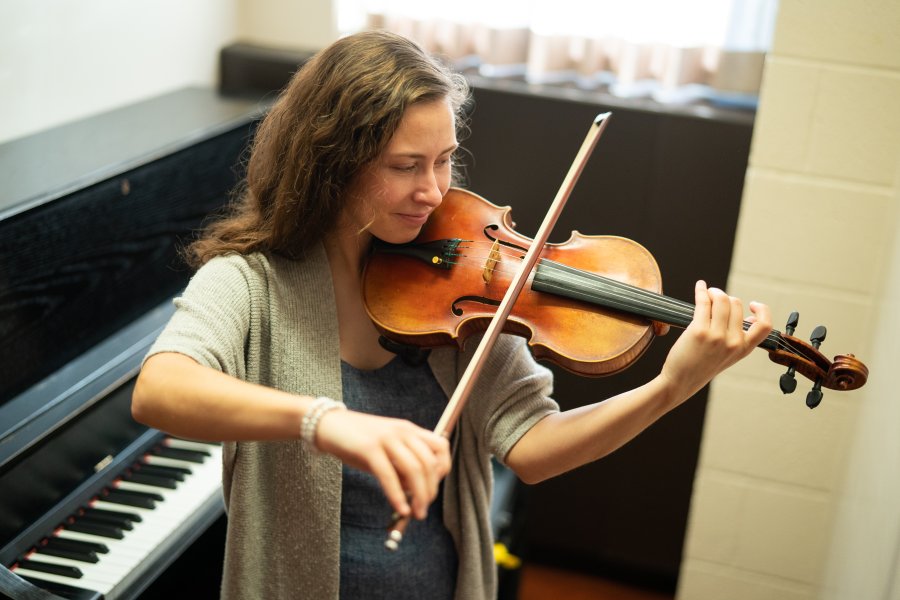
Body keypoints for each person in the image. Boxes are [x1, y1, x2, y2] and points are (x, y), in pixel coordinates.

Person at [131, 29, 772, 600]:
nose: (435, 191)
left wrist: (670, 387)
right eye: (406, 166)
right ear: (330, 162)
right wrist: (325, 422)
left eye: (444, 160)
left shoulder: (470, 282)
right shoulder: (251, 282)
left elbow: (534, 449)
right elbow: (160, 390)